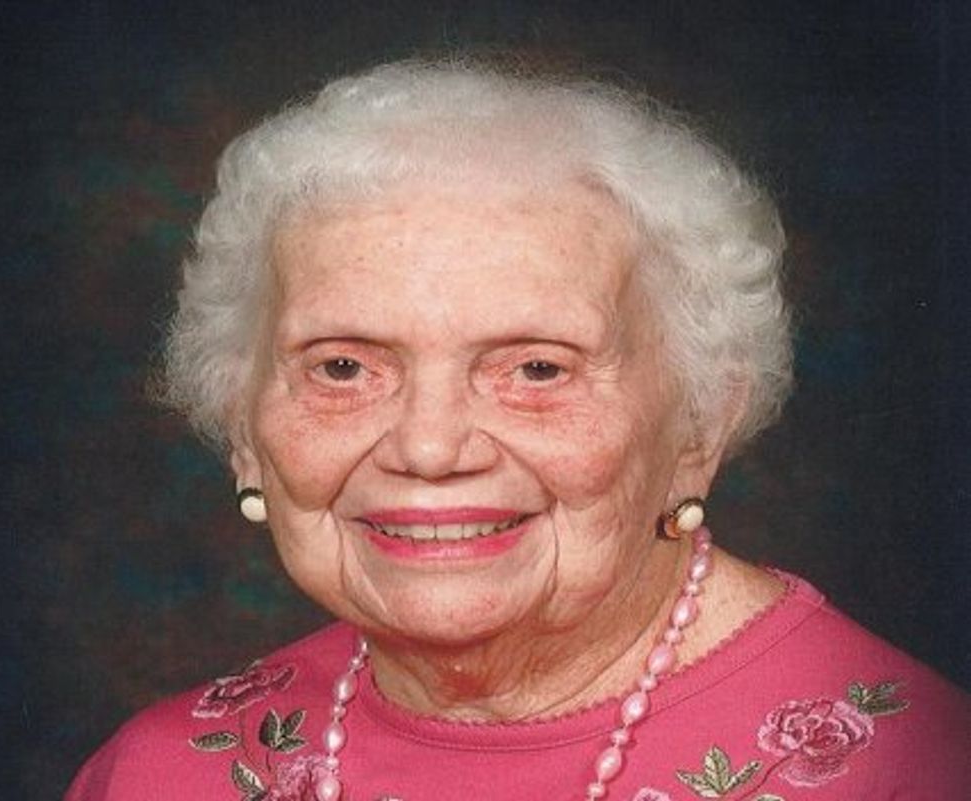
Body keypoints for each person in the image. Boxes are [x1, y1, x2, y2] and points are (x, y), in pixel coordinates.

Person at [66, 59, 968, 801]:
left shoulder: (916, 769)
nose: (429, 448)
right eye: (342, 367)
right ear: (243, 424)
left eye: (537, 369)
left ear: (698, 424)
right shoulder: (159, 775)